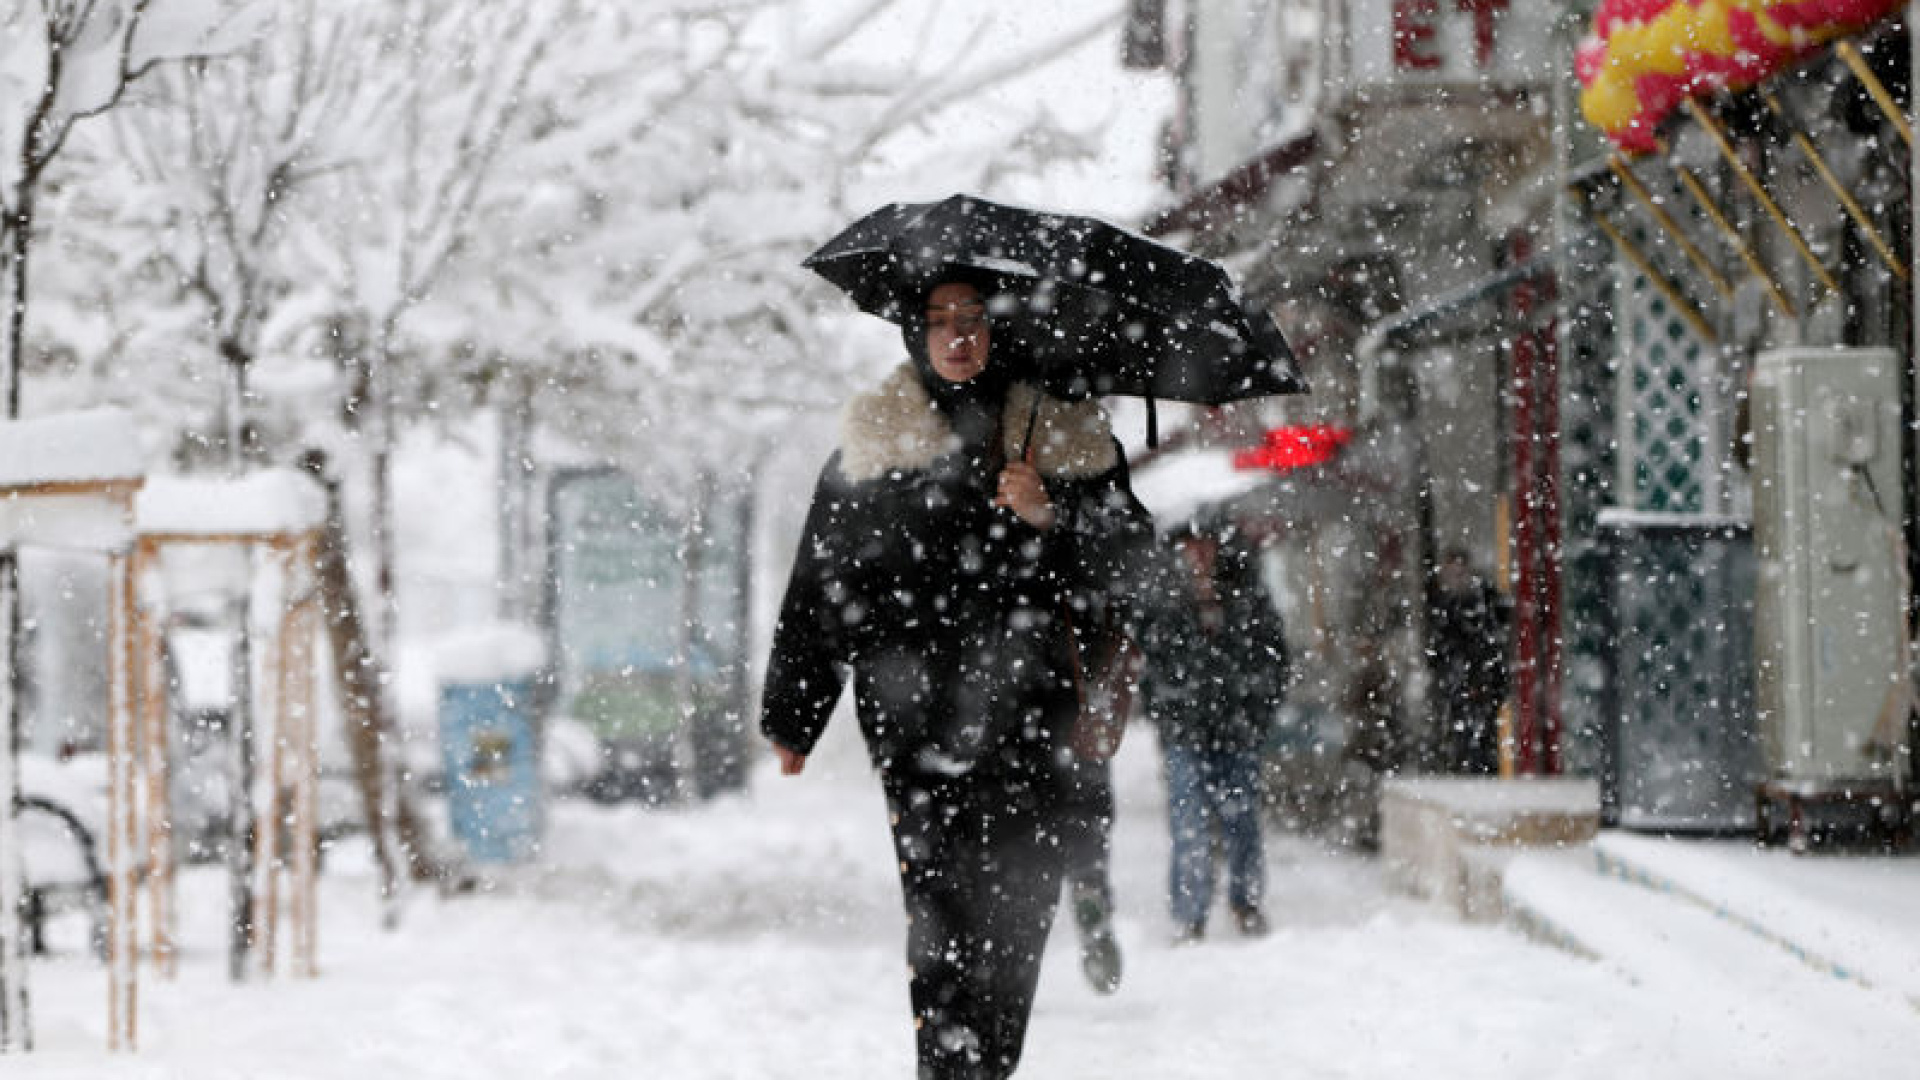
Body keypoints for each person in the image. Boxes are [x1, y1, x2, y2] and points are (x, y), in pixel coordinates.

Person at [761, 270, 1150, 1079]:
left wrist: (1056, 514)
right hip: (915, 727)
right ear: (915, 332)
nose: (958, 335)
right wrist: (795, 711)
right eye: (939, 319)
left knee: (1017, 923)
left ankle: (987, 1065)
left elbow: (1136, 563)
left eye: (972, 316)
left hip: (1035, 725)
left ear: (1000, 326)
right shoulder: (873, 445)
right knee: (938, 918)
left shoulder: (1064, 436)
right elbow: (821, 585)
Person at [1139, 524, 1289, 943]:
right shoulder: (1166, 599)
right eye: (1190, 545)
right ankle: (1190, 915)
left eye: (1204, 544)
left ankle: (1245, 902)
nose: (1198, 554)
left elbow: (1274, 657)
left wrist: (1255, 710)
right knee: (1189, 823)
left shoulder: (1247, 595)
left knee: (1241, 821)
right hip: (1186, 732)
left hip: (1237, 730)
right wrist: (1167, 713)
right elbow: (1150, 665)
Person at [1428, 548, 1508, 775]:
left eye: (1460, 571)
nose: (1456, 577)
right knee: (1465, 740)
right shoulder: (1445, 605)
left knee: (1481, 740)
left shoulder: (1481, 601)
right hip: (1462, 686)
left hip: (1480, 685)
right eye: (1452, 571)